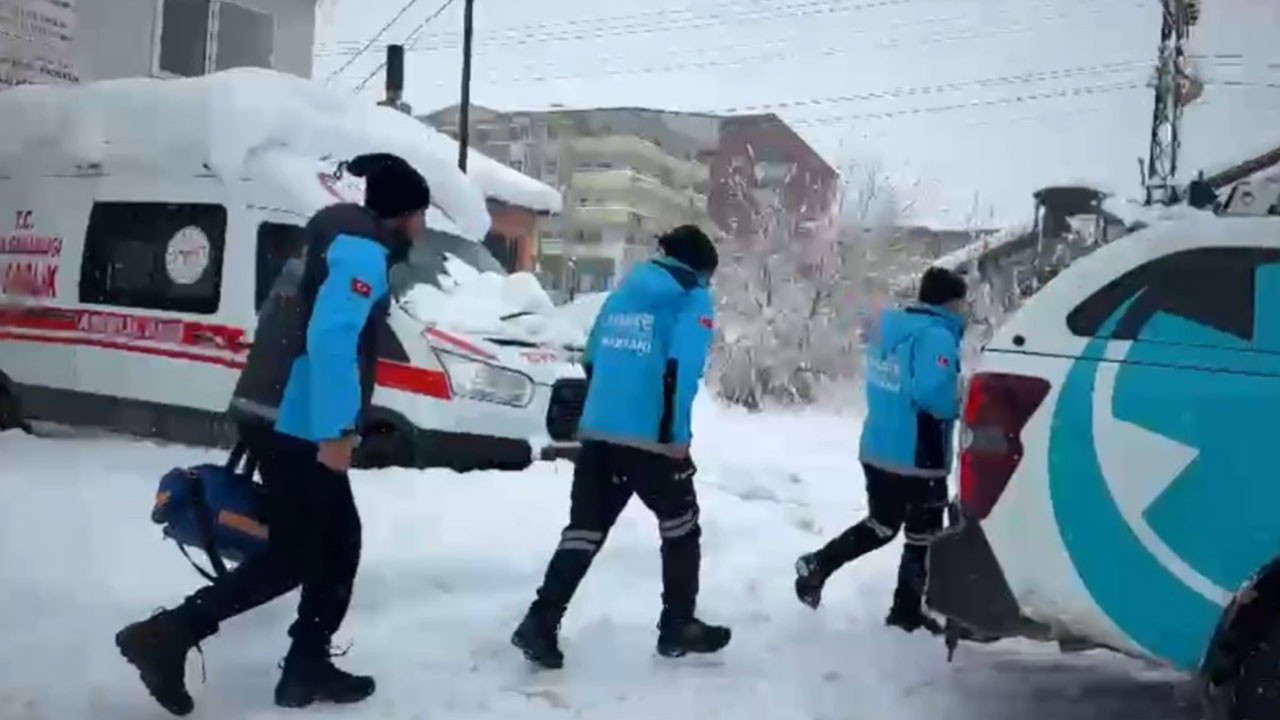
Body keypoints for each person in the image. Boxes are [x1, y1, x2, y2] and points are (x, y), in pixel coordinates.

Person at [114, 153, 431, 716]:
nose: (422, 228)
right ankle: (169, 635)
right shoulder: (362, 250)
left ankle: (301, 667)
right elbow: (332, 337)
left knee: (327, 545)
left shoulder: (329, 237)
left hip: (277, 410)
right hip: (300, 421)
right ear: (402, 216)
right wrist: (336, 429)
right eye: (421, 216)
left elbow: (285, 318)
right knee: (307, 551)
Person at [511, 225, 731, 669]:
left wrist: (610, 408)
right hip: (649, 436)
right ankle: (677, 625)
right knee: (682, 526)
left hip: (598, 430)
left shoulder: (623, 293)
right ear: (700, 268)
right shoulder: (690, 297)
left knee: (585, 529)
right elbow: (681, 371)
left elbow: (591, 357)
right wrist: (674, 441)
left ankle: (540, 621)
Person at [793, 266, 967, 634]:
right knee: (924, 535)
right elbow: (933, 395)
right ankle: (905, 613)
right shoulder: (936, 337)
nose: (965, 310)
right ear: (950, 302)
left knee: (883, 525)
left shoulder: (890, 329)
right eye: (962, 302)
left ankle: (818, 565)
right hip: (919, 455)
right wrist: (962, 400)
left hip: (878, 446)